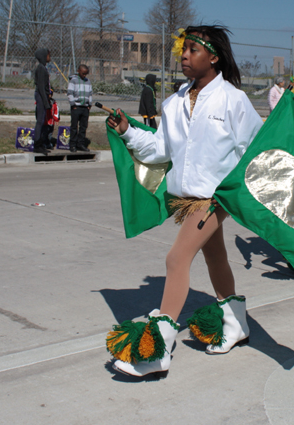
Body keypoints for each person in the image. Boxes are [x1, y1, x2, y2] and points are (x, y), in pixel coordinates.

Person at [106, 25, 263, 378]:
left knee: (176, 258)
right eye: (183, 49)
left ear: (214, 57)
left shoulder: (233, 100)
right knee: (215, 257)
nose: (185, 55)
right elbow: (160, 149)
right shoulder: (173, 102)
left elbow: (255, 149)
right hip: (186, 199)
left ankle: (157, 351)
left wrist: (240, 191)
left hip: (215, 198)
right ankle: (237, 323)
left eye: (193, 49)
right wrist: (128, 131)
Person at [68, 65, 92, 152]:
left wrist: (89, 104)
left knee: (83, 126)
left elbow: (90, 93)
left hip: (85, 107)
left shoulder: (88, 81)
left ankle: (80, 144)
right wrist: (73, 104)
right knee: (74, 126)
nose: (84, 75)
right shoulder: (73, 81)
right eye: (83, 73)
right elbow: (70, 93)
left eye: (86, 74)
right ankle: (72, 144)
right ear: (78, 71)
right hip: (76, 106)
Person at [33, 48, 52, 155]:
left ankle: (40, 143)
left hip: (43, 96)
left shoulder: (43, 68)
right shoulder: (41, 68)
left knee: (42, 120)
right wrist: (45, 101)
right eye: (48, 55)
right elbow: (40, 86)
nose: (50, 57)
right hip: (41, 96)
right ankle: (37, 144)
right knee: (40, 121)